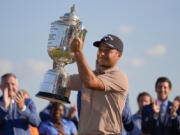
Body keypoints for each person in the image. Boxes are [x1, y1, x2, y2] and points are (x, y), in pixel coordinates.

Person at [66, 34, 128, 134]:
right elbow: (61, 82)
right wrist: (60, 55)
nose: (101, 53)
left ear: (119, 55)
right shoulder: (89, 75)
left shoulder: (119, 77)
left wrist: (77, 51)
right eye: (100, 49)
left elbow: (91, 82)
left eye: (107, 50)